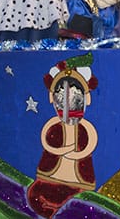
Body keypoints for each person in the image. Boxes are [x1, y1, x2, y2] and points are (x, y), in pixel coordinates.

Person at [27, 53, 99, 217]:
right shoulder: (54, 129)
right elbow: (48, 144)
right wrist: (60, 150)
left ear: (86, 99)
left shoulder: (84, 131)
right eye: (61, 98)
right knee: (35, 196)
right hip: (50, 179)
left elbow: (89, 145)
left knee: (82, 204)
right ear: (52, 98)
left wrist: (75, 153)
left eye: (75, 98)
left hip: (78, 184)